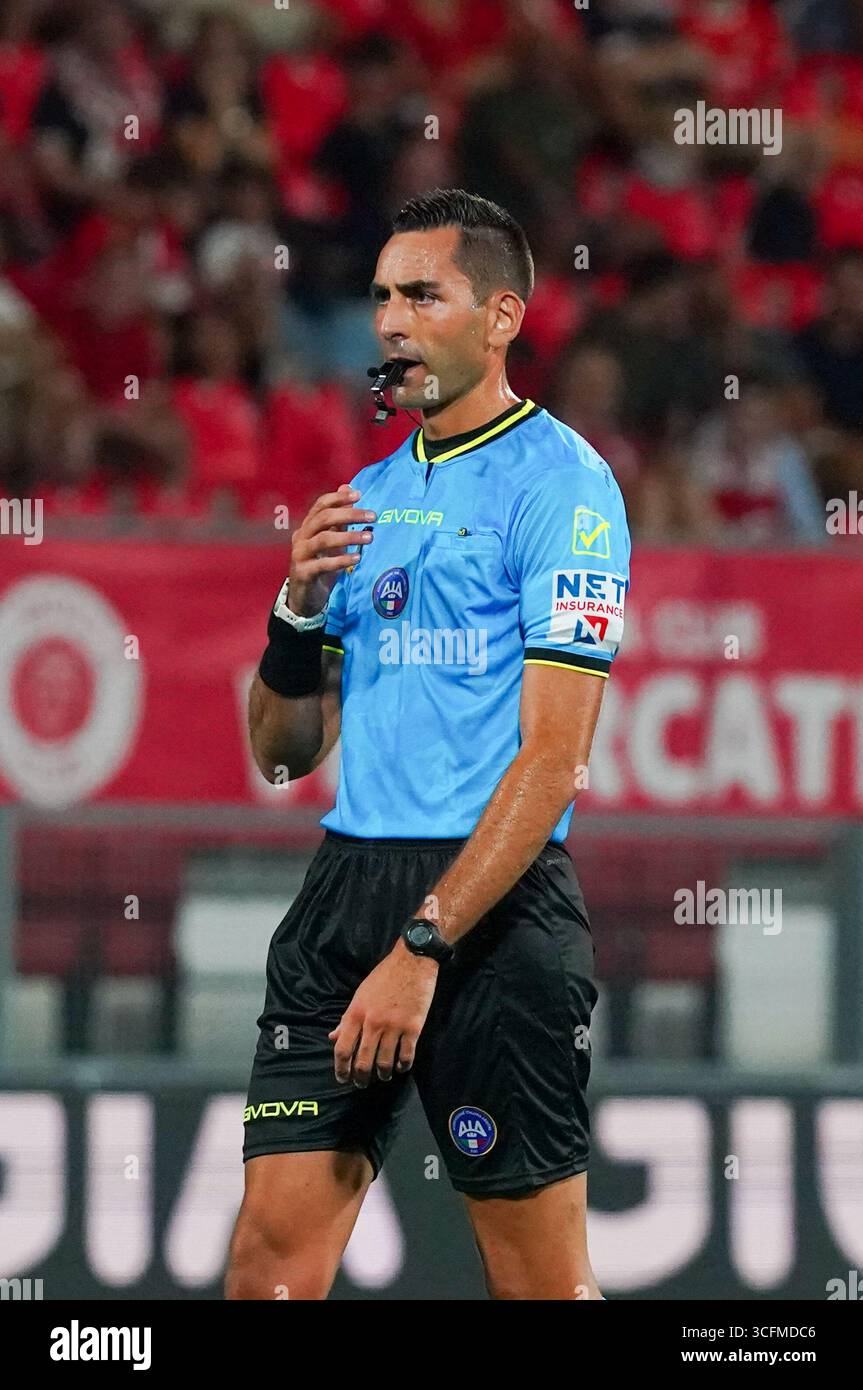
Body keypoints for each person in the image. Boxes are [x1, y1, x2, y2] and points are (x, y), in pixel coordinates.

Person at [226, 188, 630, 1301]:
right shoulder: (362, 497)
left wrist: (421, 946)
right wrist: (297, 609)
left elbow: (553, 759)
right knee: (266, 1265)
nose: (389, 322)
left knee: (538, 1283)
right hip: (344, 890)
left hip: (485, 910)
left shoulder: (565, 489)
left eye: (421, 294)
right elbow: (280, 753)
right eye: (378, 297)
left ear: (500, 315)